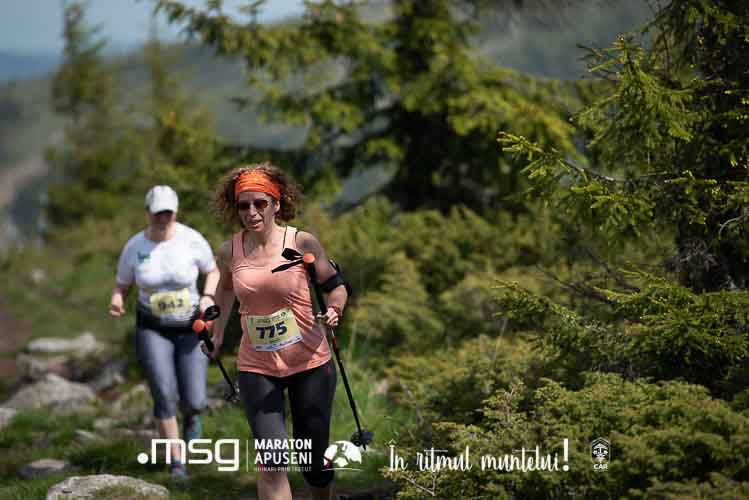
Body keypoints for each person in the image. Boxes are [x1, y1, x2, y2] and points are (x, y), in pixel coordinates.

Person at [207, 163, 348, 500]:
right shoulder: (230, 250)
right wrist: (217, 333)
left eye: (260, 203)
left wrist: (334, 309)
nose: (251, 212)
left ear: (277, 204)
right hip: (257, 366)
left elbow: (335, 285)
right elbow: (224, 289)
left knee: (313, 461)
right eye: (243, 205)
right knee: (272, 459)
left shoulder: (301, 241)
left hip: (310, 362)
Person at [109, 185, 220, 480]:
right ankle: (177, 463)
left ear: (176, 212)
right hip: (153, 329)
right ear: (148, 212)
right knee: (164, 394)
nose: (163, 218)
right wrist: (117, 299)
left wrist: (208, 297)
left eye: (168, 212)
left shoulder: (192, 240)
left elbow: (213, 271)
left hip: (191, 328)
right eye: (158, 212)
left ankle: (192, 417)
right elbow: (122, 284)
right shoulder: (135, 246)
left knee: (195, 399)